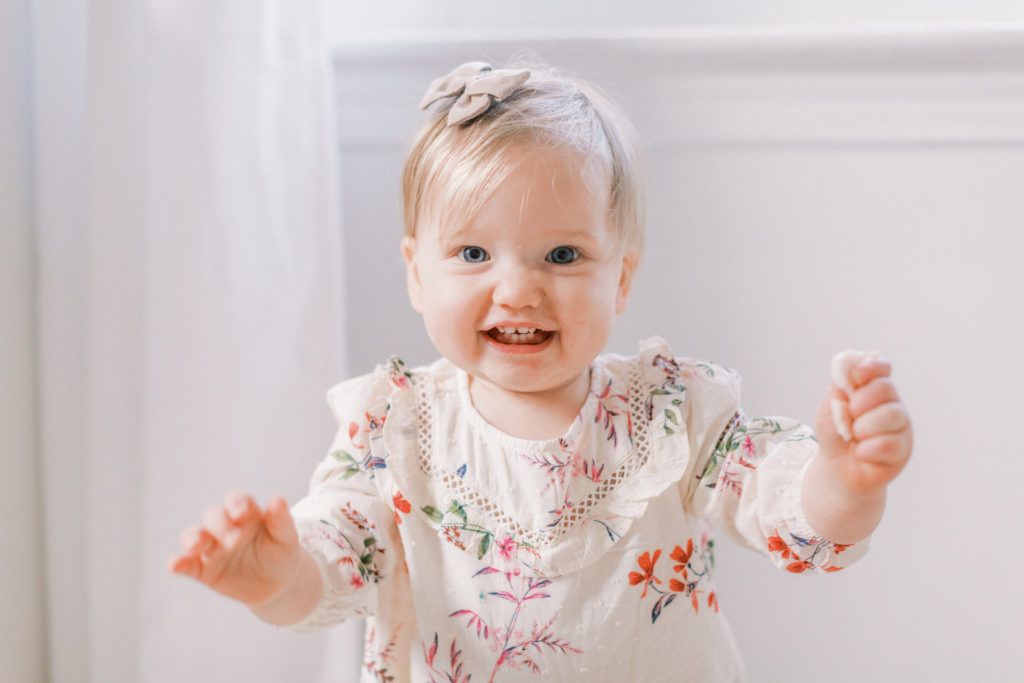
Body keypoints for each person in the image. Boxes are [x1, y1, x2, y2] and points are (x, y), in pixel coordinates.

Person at [171, 60, 912, 681]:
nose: (518, 289)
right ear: (417, 274)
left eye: (562, 255)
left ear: (621, 279)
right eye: (472, 254)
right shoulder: (395, 427)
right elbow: (340, 556)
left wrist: (843, 481)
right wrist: (278, 574)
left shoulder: (671, 412)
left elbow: (788, 514)